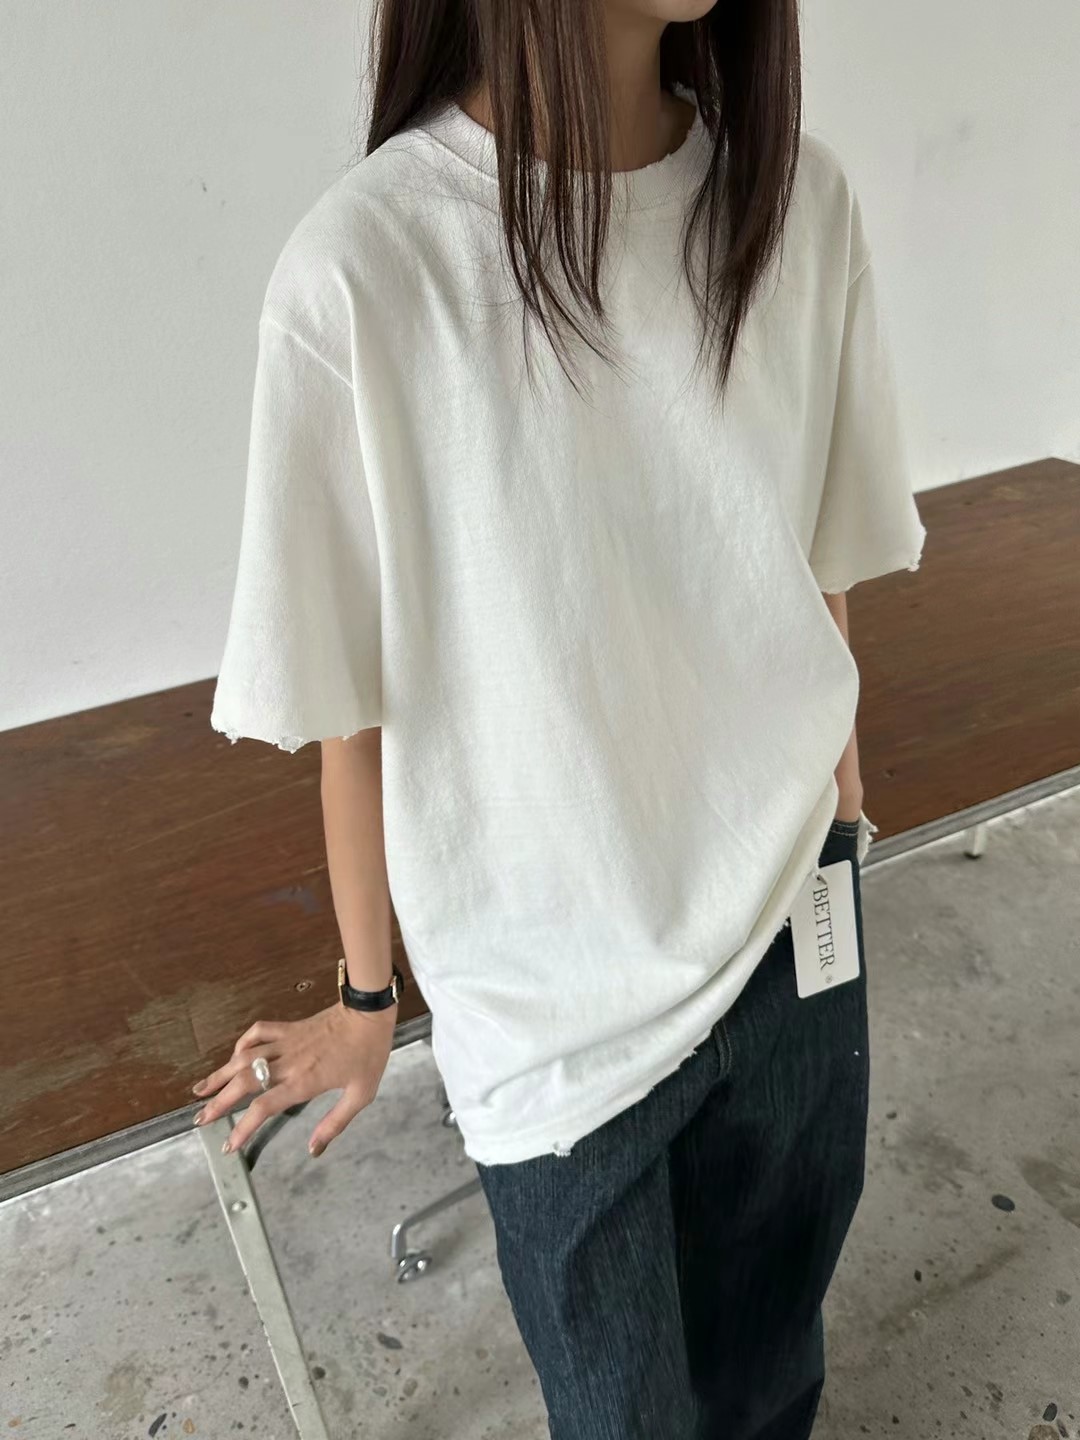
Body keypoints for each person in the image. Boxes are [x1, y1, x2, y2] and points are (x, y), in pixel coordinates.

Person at [193, 0, 927, 1434]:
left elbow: (815, 568)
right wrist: (367, 999)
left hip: (796, 929)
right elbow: (354, 705)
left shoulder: (795, 203)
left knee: (774, 1376)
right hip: (549, 1010)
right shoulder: (366, 270)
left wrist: (842, 832)